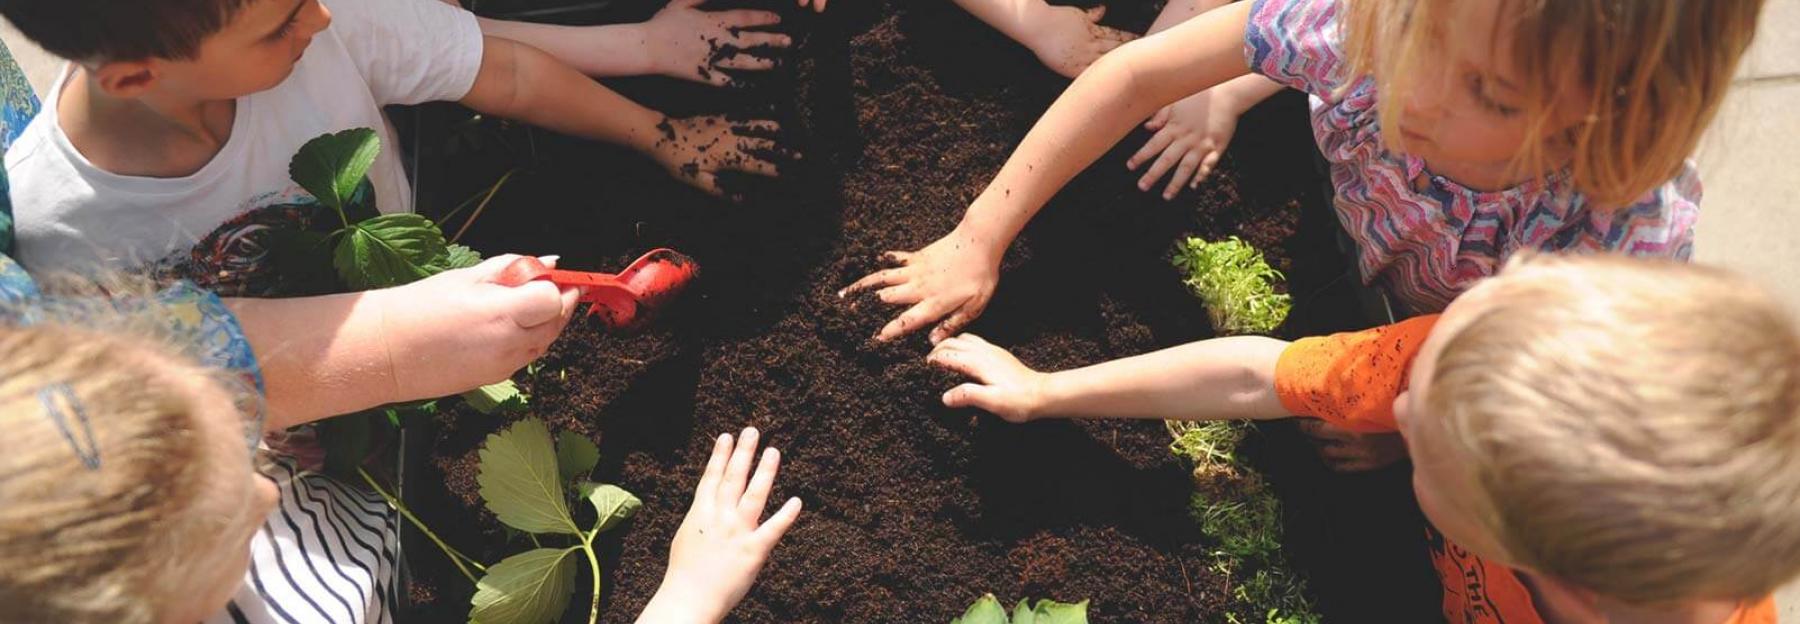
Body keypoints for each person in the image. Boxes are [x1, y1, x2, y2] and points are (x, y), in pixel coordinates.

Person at [927, 253, 1799, 624]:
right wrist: (1046, 391)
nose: (1401, 412)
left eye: (1425, 443)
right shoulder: (1456, 367)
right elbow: (1251, 376)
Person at [0, 296, 801, 623]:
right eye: (235, 508)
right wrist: (687, 598)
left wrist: (396, 344)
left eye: (244, 436)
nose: (269, 490)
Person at [1, 0, 791, 284]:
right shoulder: (60, 234)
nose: (320, 19)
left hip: (431, 255)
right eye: (283, 24)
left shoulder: (327, 15)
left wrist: (662, 137)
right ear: (137, 79)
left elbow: (504, 73)